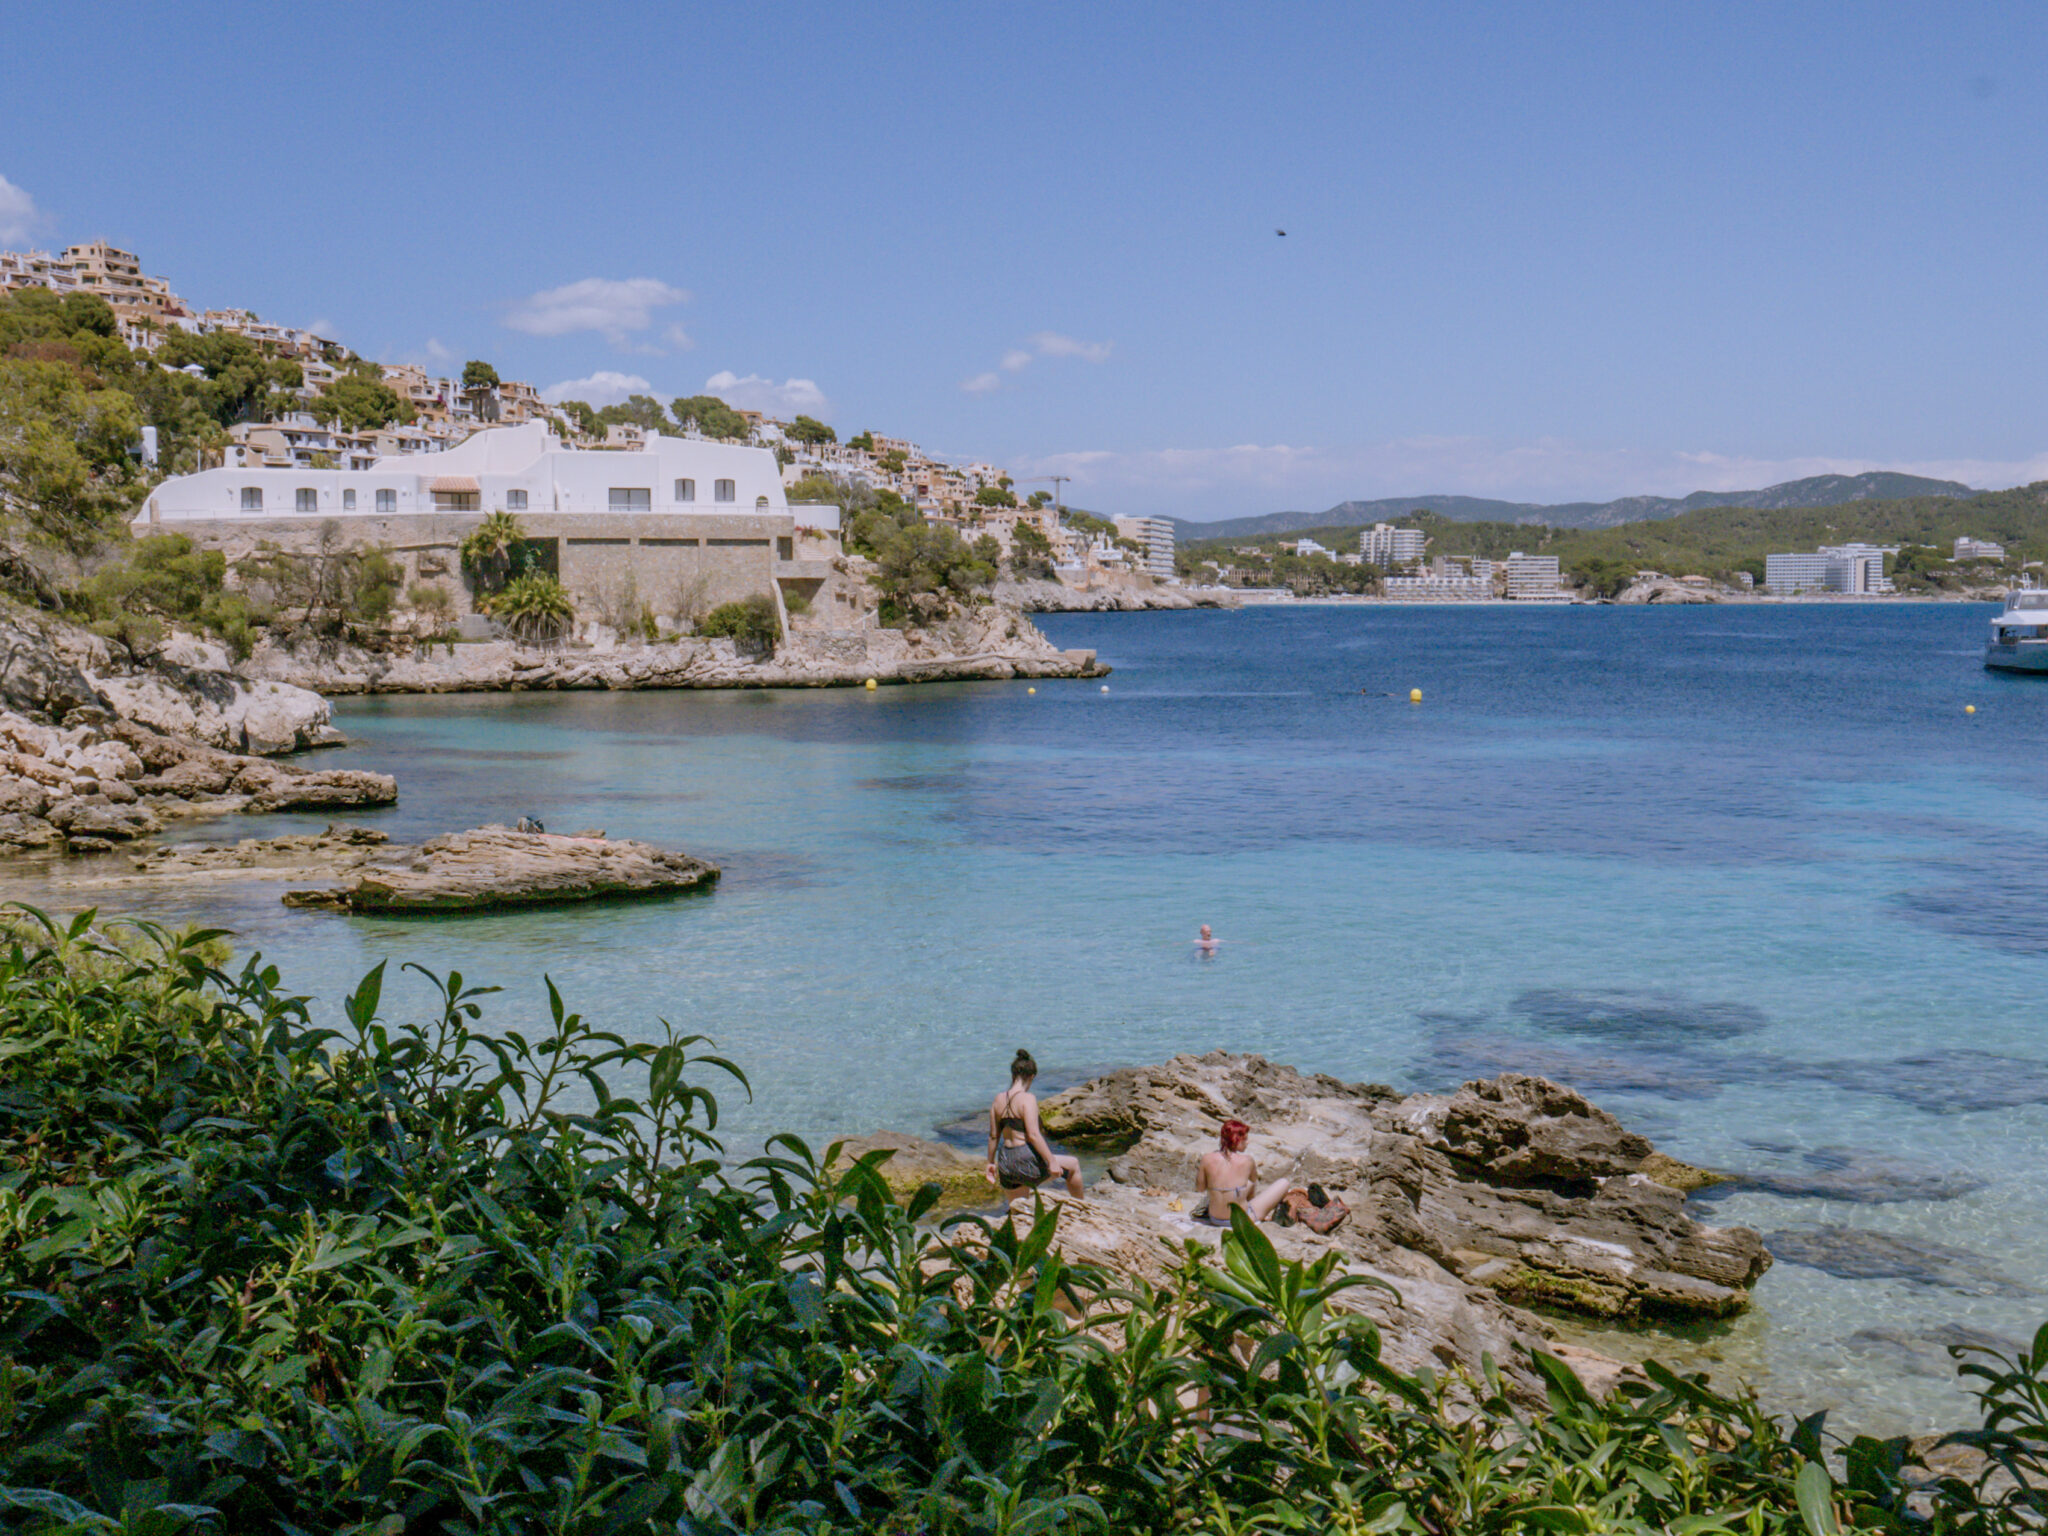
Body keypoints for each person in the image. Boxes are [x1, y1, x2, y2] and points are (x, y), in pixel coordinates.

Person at [985, 1049, 1084, 1198]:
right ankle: (1082, 1209)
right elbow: (1033, 1135)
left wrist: (990, 1163)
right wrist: (1051, 1162)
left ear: (1013, 1075)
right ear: (1032, 1077)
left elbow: (993, 1136)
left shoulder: (998, 1099)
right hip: (1025, 1158)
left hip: (1005, 1161)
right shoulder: (1028, 1098)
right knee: (1073, 1165)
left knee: (1018, 1210)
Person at [1193, 1119, 1292, 1227]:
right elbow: (1253, 1182)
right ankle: (1251, 1210)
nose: (1247, 1142)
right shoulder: (1247, 1161)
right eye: (1245, 1139)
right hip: (1239, 1220)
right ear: (1236, 1140)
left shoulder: (1207, 1159)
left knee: (1242, 1185)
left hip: (1215, 1218)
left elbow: (1200, 1188)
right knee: (1284, 1182)